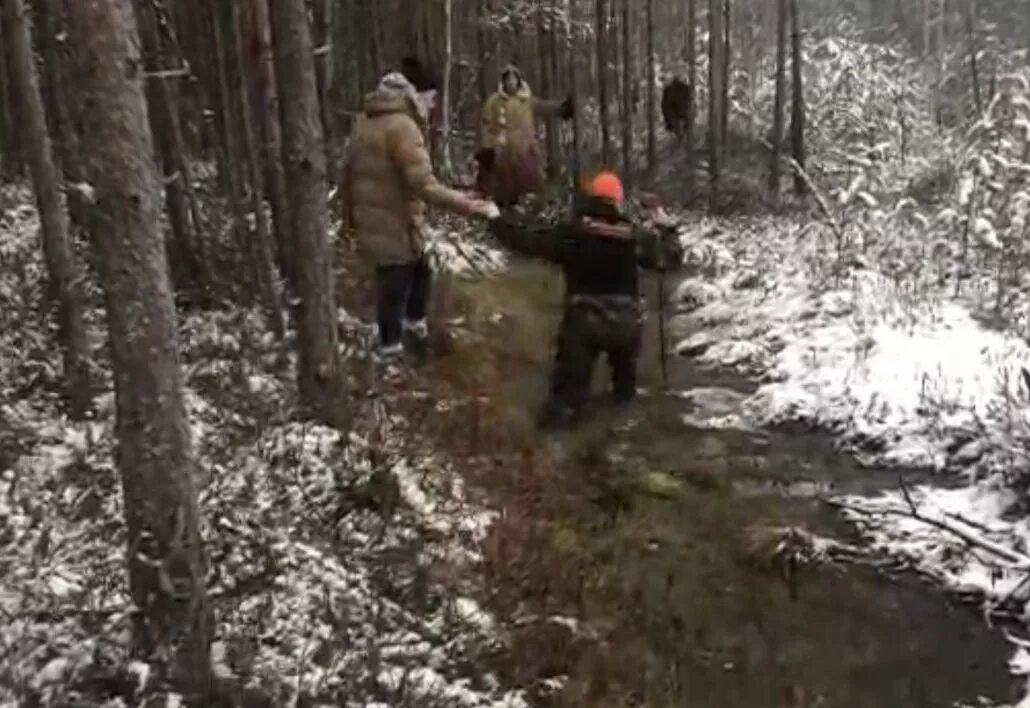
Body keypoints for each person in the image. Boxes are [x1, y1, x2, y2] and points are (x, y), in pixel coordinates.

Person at [488, 171, 683, 428]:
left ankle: (558, 447)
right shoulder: (635, 236)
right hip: (626, 323)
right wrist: (667, 228)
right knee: (624, 399)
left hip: (583, 321)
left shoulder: (573, 231)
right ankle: (622, 441)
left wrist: (494, 219)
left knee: (566, 404)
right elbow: (670, 260)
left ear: (590, 197)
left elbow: (525, 241)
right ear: (617, 200)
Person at [344, 57, 499, 359]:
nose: (433, 106)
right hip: (392, 221)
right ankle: (392, 351)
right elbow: (424, 185)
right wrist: (469, 205)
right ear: (417, 95)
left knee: (419, 273)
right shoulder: (403, 127)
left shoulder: (366, 120)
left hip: (378, 217)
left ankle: (413, 333)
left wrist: (350, 218)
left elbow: (347, 172)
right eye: (432, 99)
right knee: (397, 282)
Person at [477, 64, 573, 207]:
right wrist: (486, 147)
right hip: (503, 154)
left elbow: (544, 107)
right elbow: (485, 125)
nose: (511, 83)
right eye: (508, 80)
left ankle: (534, 213)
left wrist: (562, 109)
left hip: (526, 151)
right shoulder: (494, 102)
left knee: (532, 186)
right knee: (504, 191)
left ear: (519, 81)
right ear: (503, 82)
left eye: (514, 79)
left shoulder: (526, 100)